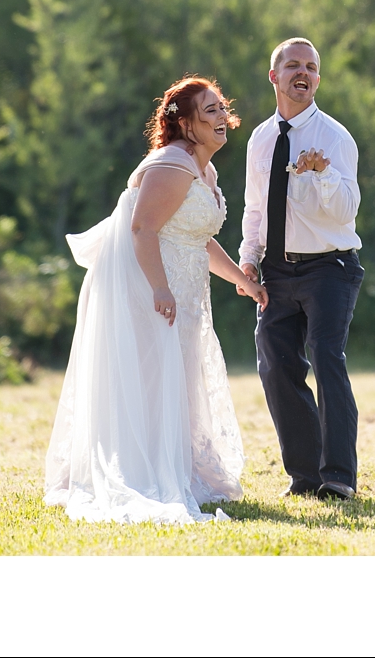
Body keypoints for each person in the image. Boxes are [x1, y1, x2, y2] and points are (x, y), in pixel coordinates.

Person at [44, 75, 267, 523]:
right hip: (148, 287)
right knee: (149, 378)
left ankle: (175, 468)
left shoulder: (203, 168)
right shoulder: (171, 164)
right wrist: (160, 289)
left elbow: (196, 237)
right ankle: (138, 472)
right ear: (185, 123)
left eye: (222, 107)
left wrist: (239, 279)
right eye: (210, 111)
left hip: (184, 289)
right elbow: (143, 229)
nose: (222, 117)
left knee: (176, 378)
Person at [238, 37, 364, 500]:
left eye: (311, 67)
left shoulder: (334, 137)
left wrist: (324, 174)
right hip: (274, 271)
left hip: (329, 267)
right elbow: (255, 208)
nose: (303, 73)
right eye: (293, 65)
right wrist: (249, 260)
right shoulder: (260, 138)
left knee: (328, 360)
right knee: (276, 367)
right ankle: (305, 477)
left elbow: (347, 210)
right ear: (274, 76)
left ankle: (338, 478)